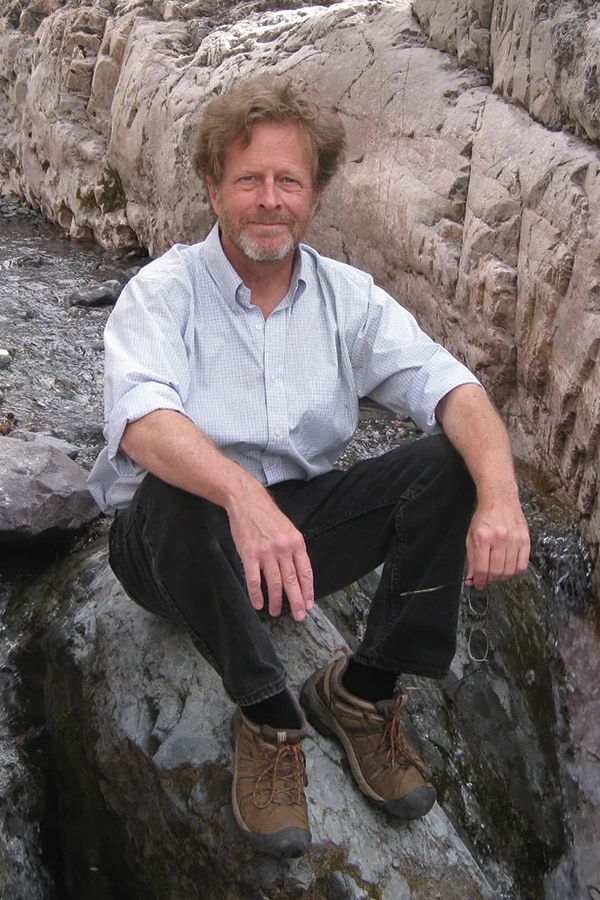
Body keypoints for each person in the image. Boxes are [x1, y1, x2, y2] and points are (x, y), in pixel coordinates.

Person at [87, 75, 530, 859]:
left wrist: (500, 496)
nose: (269, 199)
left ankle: (363, 691)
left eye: (288, 181)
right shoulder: (163, 292)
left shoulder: (347, 298)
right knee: (176, 488)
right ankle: (270, 716)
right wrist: (241, 494)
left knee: (451, 465)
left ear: (314, 194)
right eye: (248, 179)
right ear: (213, 189)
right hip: (170, 546)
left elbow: (451, 386)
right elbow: (144, 423)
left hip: (293, 543)